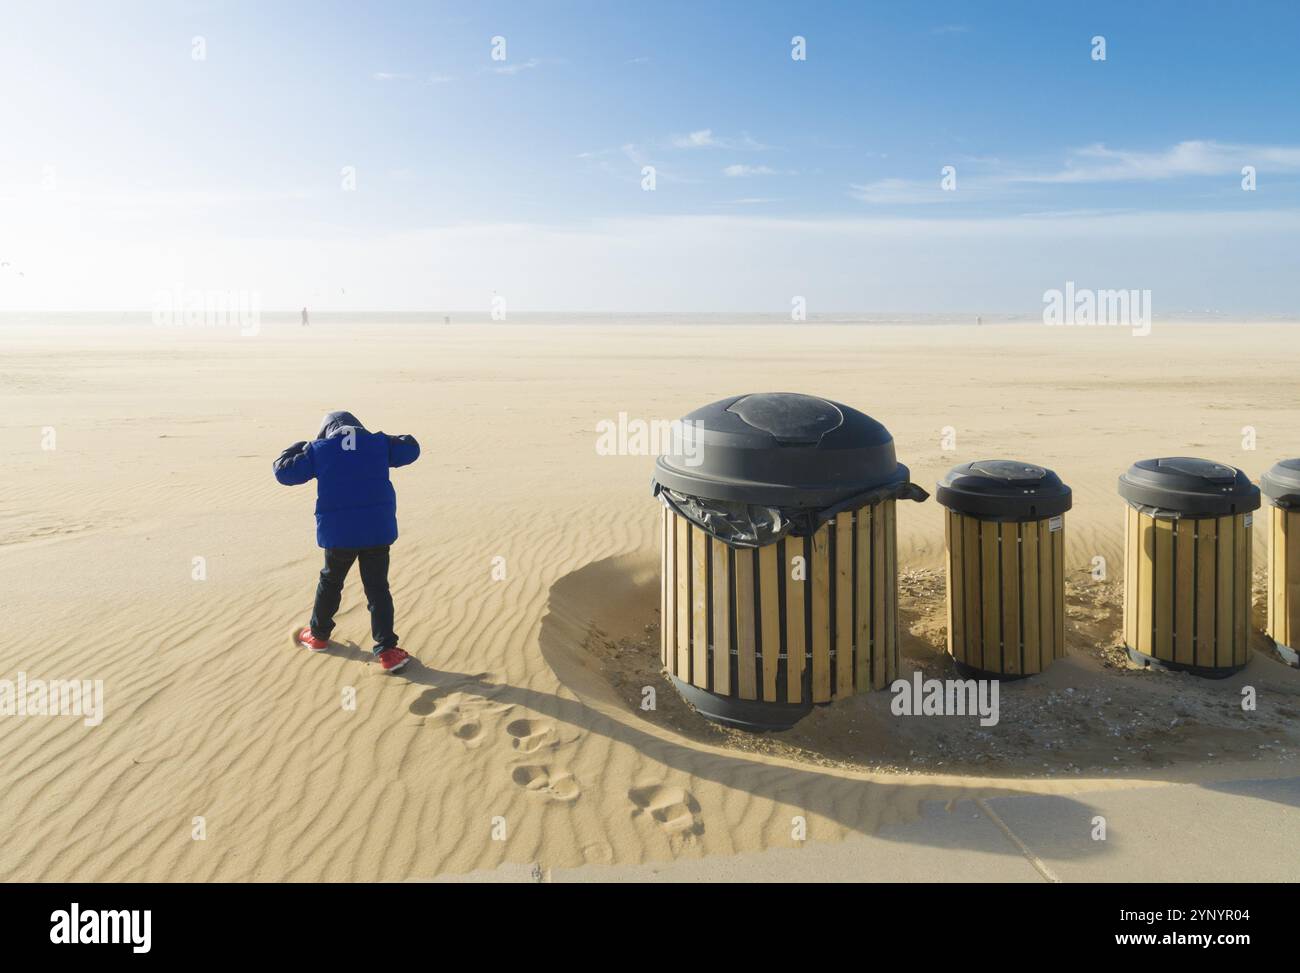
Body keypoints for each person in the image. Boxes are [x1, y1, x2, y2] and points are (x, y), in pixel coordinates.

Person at [273, 411, 421, 673]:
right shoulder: (378, 444)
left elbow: (283, 472)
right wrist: (382, 438)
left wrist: (301, 446)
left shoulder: (320, 450)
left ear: (326, 431)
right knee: (377, 589)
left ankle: (318, 636)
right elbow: (411, 449)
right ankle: (387, 651)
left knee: (331, 581)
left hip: (339, 535)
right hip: (377, 531)